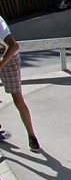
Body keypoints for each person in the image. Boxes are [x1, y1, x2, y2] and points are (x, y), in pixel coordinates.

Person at [0, 13, 40, 152]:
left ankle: (32, 137)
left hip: (9, 60)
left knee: (17, 98)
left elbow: (14, 46)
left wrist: (1, 65)